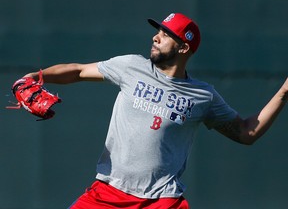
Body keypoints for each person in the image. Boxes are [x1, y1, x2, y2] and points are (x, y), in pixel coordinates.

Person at [24, 13, 288, 209]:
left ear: (183, 47)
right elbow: (78, 70)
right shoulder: (130, 66)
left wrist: (285, 91)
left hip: (161, 201)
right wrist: (37, 77)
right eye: (158, 30)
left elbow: (246, 132)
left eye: (166, 34)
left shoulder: (203, 96)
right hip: (107, 193)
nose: (156, 36)